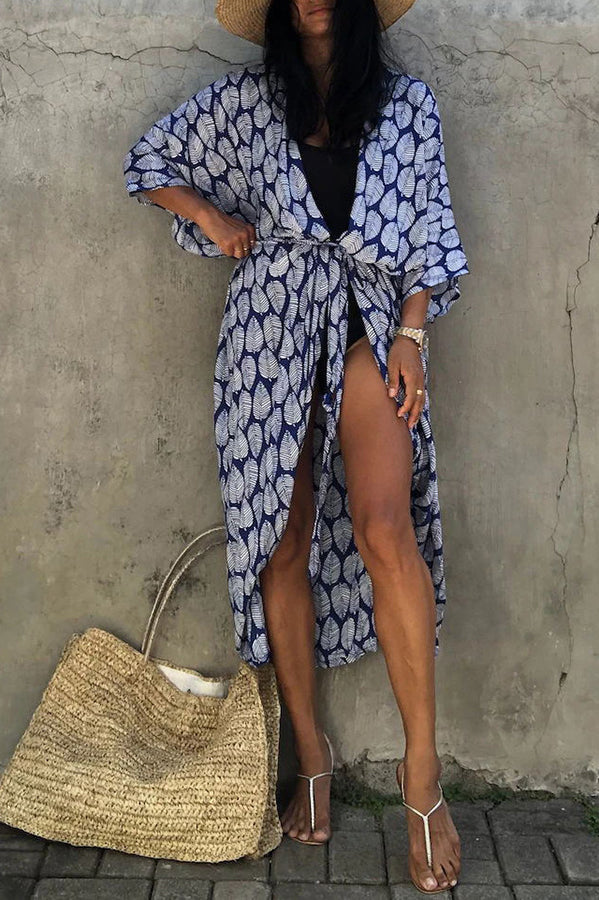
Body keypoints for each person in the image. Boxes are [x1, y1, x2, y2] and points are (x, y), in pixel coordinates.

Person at [123, 0, 469, 891]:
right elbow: (149, 162)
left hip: (370, 326)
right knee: (282, 536)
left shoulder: (407, 104)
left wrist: (410, 335)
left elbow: (430, 232)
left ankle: (420, 772)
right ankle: (309, 754)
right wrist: (211, 219)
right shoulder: (246, 100)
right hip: (269, 326)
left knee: (384, 528)